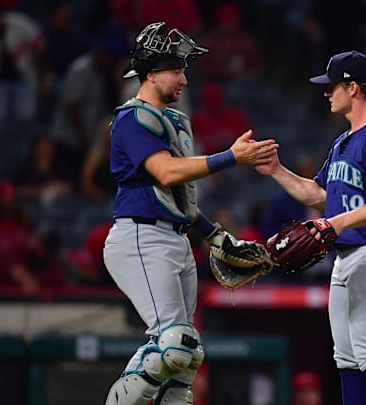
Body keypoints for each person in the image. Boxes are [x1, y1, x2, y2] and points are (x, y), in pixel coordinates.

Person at [101, 21, 278, 405]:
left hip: (174, 238)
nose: (184, 78)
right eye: (176, 70)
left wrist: (216, 236)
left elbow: (178, 199)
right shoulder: (132, 118)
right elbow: (165, 171)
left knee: (187, 358)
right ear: (150, 74)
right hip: (140, 236)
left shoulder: (174, 120)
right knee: (175, 342)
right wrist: (232, 157)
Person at [255, 50, 366, 404]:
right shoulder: (344, 141)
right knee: (347, 359)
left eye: (333, 86)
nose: (327, 93)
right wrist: (277, 171)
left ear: (353, 88)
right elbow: (321, 196)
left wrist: (336, 222)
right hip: (348, 255)